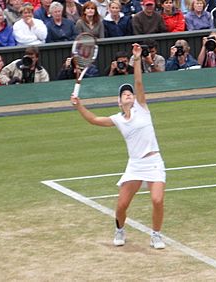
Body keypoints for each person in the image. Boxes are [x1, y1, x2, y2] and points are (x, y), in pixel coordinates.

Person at [70, 43, 167, 249]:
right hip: (135, 165)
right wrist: (79, 105)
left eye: (129, 93)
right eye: (124, 94)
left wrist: (137, 59)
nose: (128, 94)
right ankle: (120, 229)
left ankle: (156, 235)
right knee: (122, 205)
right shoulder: (118, 119)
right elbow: (94, 120)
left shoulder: (142, 108)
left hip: (154, 161)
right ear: (119, 102)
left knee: (157, 200)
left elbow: (138, 82)